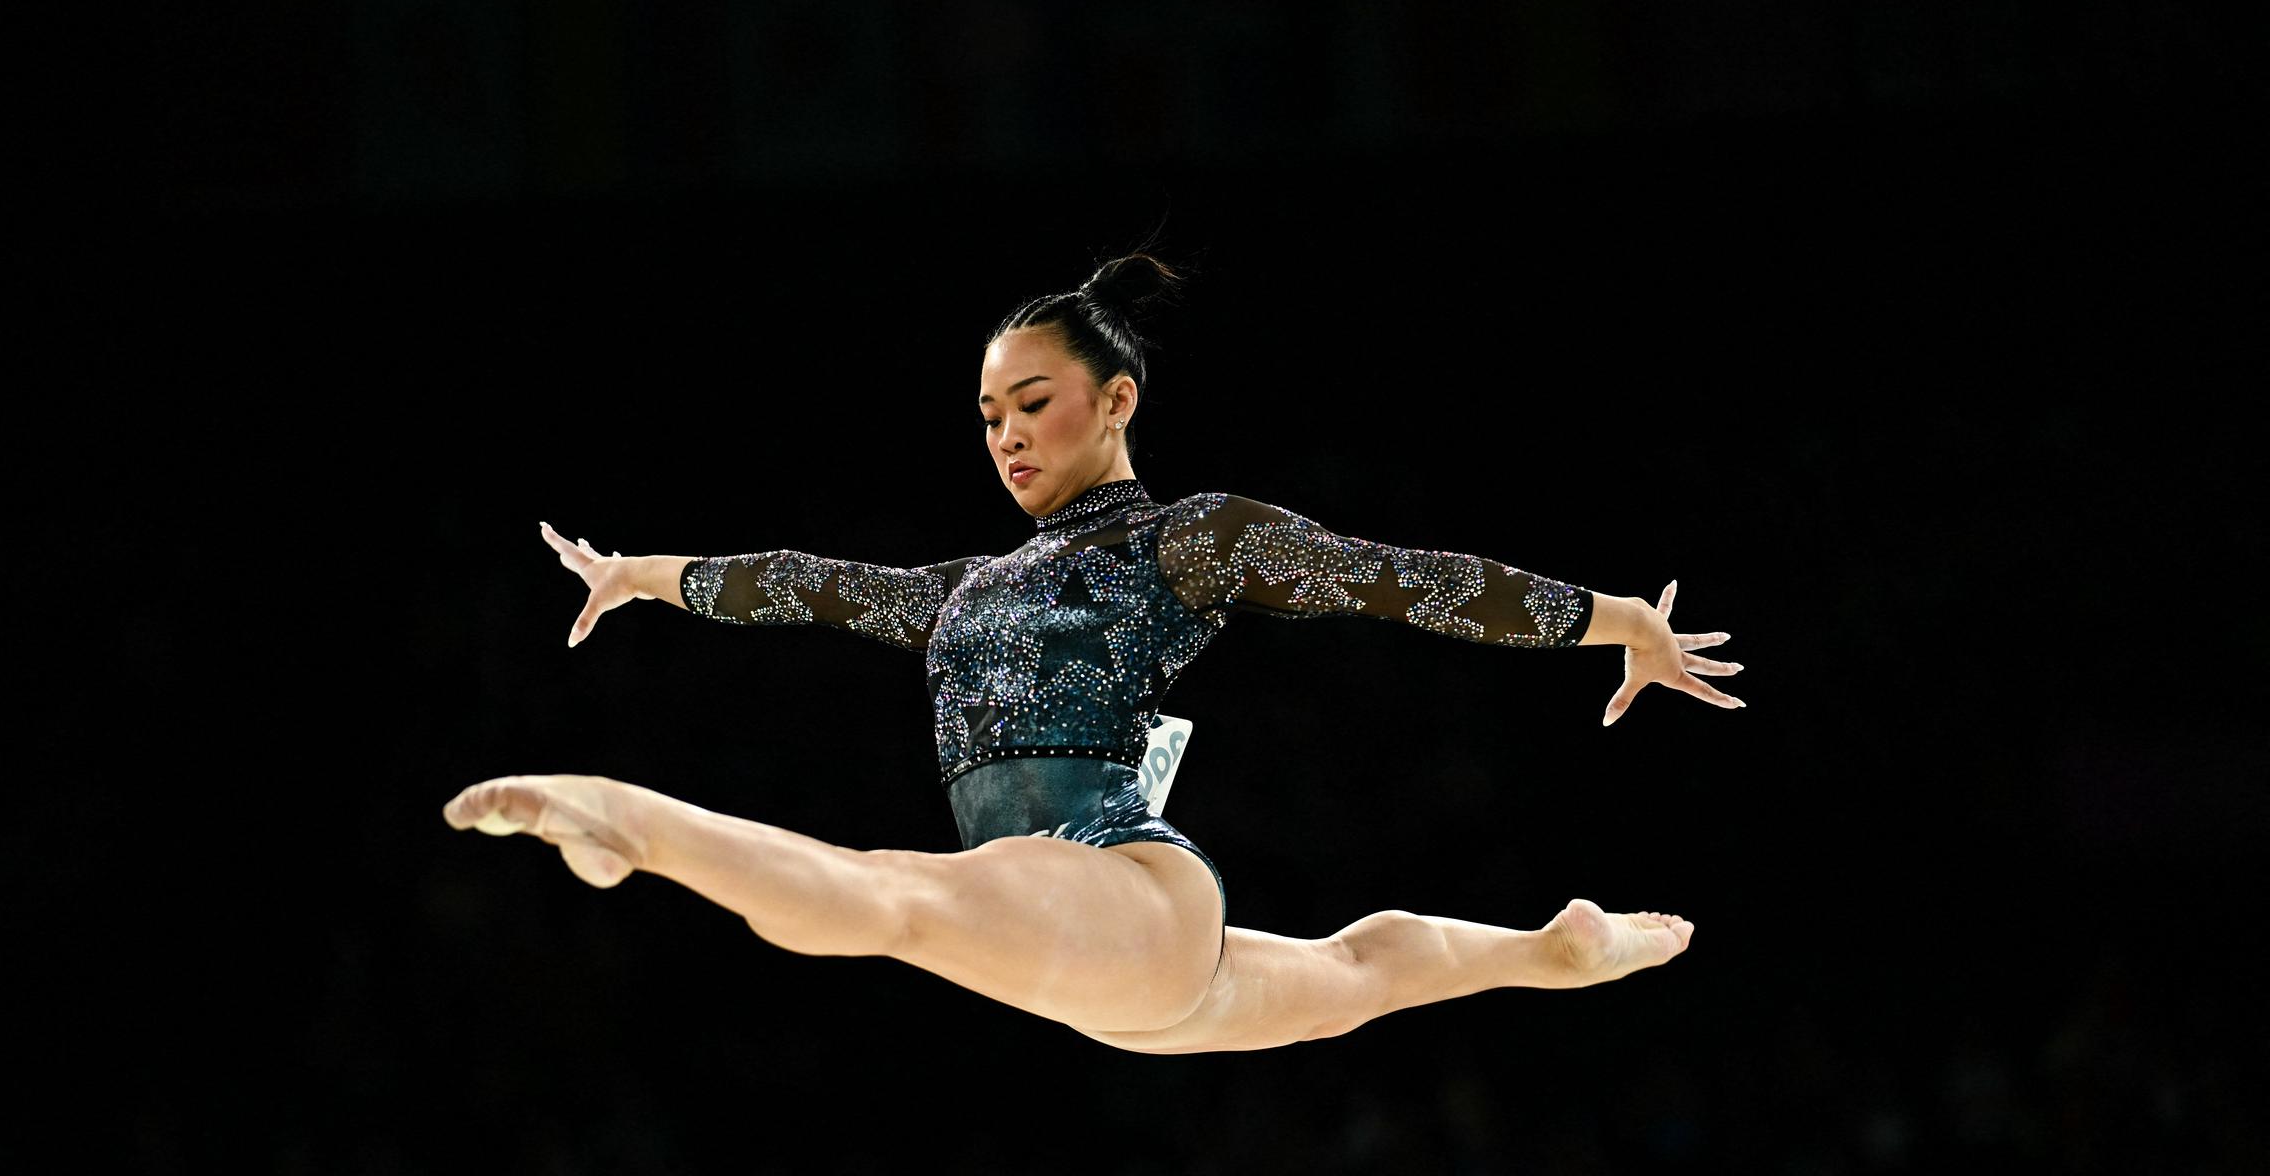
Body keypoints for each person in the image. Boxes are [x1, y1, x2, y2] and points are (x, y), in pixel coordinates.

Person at [442, 252, 1744, 1053]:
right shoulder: (966, 589)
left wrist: (1616, 618)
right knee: (1353, 972)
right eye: (989, 414)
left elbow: (1395, 582)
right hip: (1101, 973)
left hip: (1116, 882)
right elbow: (806, 588)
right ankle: (1551, 949)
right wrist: (640, 577)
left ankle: (624, 822)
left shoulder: (1191, 543)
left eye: (1035, 404)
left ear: (1117, 401)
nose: (1006, 435)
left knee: (894, 903)